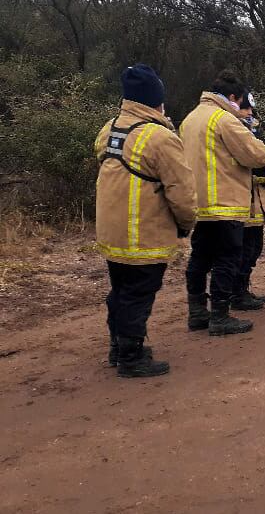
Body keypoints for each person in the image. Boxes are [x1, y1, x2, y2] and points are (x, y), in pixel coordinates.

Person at [94, 64, 197, 377]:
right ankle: (131, 357)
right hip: (143, 232)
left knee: (121, 290)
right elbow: (181, 191)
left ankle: (118, 347)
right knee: (138, 293)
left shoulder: (109, 128)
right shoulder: (161, 138)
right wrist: (185, 224)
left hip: (111, 232)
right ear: (156, 99)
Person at [180, 71, 265, 336]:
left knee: (200, 258)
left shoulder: (190, 119)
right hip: (225, 202)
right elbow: (257, 154)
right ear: (233, 97)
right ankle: (220, 316)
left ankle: (197, 312)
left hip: (199, 203)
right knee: (227, 258)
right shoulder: (224, 119)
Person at [232, 91, 265, 311]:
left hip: (258, 203)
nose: (249, 113)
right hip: (240, 203)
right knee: (240, 251)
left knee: (253, 248)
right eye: (245, 108)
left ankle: (242, 290)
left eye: (251, 108)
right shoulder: (232, 131)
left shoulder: (255, 130)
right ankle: (235, 294)